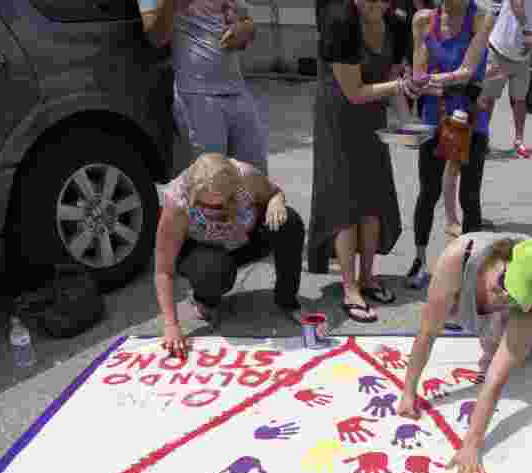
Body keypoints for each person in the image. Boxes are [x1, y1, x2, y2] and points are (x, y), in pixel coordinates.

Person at [397, 234, 532, 473]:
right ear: (498, 256)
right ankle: (504, 318)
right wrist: (408, 391)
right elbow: (428, 331)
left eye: (515, 293)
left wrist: (471, 444)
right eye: (503, 280)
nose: (503, 293)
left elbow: (496, 377)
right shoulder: (457, 258)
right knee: (489, 334)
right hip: (482, 274)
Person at [309, 0, 418, 323]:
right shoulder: (340, 22)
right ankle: (349, 287)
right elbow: (354, 92)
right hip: (337, 119)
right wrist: (401, 85)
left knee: (373, 197)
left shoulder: (397, 24)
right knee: (346, 202)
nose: (372, 2)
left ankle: (369, 278)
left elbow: (395, 77)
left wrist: (409, 123)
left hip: (372, 117)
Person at [155, 153, 306, 359]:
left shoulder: (246, 175)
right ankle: (204, 300)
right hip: (203, 252)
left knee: (289, 222)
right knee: (214, 269)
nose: (222, 209)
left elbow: (274, 193)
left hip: (242, 239)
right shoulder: (177, 203)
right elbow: (163, 270)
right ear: (193, 196)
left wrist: (275, 203)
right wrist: (171, 325)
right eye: (212, 207)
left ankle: (286, 299)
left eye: (230, 199)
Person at [405, 0, 496, 289]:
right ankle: (420, 259)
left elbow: (467, 71)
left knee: (469, 196)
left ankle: (472, 267)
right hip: (434, 116)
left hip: (471, 117)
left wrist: (428, 82)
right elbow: (418, 77)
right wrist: (430, 82)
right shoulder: (422, 20)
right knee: (428, 191)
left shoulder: (482, 18)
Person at [154, 0, 268, 174]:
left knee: (255, 180)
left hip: (237, 92)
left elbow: (247, 21)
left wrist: (244, 30)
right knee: (211, 184)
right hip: (197, 96)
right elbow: (156, 37)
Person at [476, 0, 532, 159]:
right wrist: (526, 31)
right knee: (488, 98)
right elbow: (515, 4)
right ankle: (482, 138)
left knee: (519, 100)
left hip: (522, 59)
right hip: (499, 51)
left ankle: (519, 141)